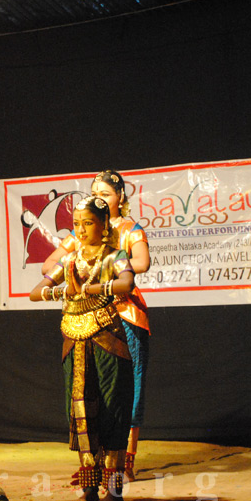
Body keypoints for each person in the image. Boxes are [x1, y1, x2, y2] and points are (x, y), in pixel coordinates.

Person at [41, 170, 151, 480]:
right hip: (84, 317)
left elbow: (141, 263)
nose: (100, 197)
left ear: (121, 197)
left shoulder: (129, 229)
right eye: (95, 192)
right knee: (84, 390)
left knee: (122, 390)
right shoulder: (81, 230)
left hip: (123, 313)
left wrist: (107, 267)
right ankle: (92, 464)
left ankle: (124, 462)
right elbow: (48, 265)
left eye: (106, 193)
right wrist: (70, 274)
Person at [30, 196, 136, 501]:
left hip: (107, 338)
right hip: (74, 339)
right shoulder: (69, 260)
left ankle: (113, 489)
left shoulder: (114, 256)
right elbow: (36, 293)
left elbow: (126, 284)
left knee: (112, 407)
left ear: (103, 225)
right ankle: (89, 487)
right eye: (76, 224)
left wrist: (88, 289)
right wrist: (65, 290)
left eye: (88, 223)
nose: (80, 229)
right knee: (79, 409)